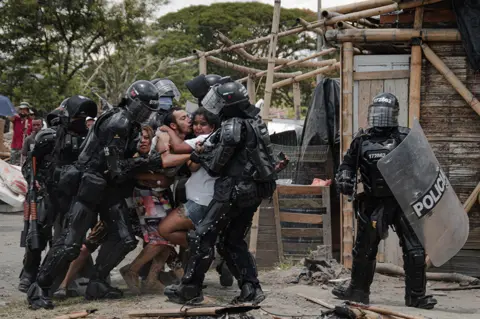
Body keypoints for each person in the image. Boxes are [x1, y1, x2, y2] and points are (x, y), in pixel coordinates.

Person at [26, 80, 190, 310]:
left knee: (124, 239)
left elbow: (120, 166)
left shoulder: (130, 122)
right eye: (144, 107)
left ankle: (97, 283)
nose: (147, 113)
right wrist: (153, 160)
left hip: (107, 186)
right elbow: (118, 167)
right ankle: (39, 288)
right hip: (90, 184)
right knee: (70, 243)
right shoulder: (119, 122)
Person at [164, 81, 279, 305]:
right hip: (252, 190)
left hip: (233, 190)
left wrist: (200, 156)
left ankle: (190, 289)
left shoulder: (232, 125)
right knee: (231, 240)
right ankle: (251, 289)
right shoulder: (254, 122)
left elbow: (217, 165)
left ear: (229, 103)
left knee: (202, 236)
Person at [332, 93, 437, 309]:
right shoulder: (362, 140)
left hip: (403, 200)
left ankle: (416, 297)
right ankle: (358, 291)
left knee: (415, 249)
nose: (380, 118)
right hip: (373, 202)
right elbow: (347, 165)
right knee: (364, 250)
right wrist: (344, 178)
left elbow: (425, 165)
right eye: (377, 113)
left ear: (394, 115)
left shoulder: (406, 137)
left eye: (385, 113)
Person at [19, 97, 98, 294]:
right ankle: (29, 273)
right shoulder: (48, 137)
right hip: (45, 192)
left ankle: (70, 276)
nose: (81, 119)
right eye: (78, 115)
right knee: (37, 234)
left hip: (72, 194)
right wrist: (34, 183)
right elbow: (30, 164)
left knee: (69, 238)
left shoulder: (88, 138)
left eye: (84, 116)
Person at [158, 107, 233, 287]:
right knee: (191, 237)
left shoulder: (205, 139)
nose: (198, 127)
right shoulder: (216, 141)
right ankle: (200, 255)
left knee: (165, 229)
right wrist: (195, 154)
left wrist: (167, 129)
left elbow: (176, 148)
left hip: (200, 201)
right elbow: (193, 167)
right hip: (206, 200)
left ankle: (204, 249)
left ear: (213, 126)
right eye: (196, 123)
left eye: (203, 124)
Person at [120, 125, 177, 294]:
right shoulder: (132, 157)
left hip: (161, 198)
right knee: (158, 240)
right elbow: (135, 175)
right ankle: (131, 270)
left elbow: (167, 179)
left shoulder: (155, 155)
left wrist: (157, 180)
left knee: (166, 240)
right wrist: (156, 179)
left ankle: (152, 279)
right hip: (146, 200)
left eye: (146, 137)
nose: (143, 140)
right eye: (140, 137)